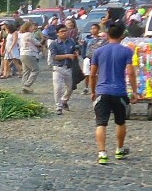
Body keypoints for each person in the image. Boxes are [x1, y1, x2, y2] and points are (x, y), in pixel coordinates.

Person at [89, 22, 137, 165]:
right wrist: (134, 91)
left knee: (101, 123)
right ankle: (119, 149)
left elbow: (92, 74)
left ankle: (102, 153)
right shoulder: (127, 51)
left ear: (107, 35)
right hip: (119, 92)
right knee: (120, 122)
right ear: (122, 36)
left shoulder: (98, 52)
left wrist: (92, 91)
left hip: (102, 91)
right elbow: (130, 72)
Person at [47, 23, 80, 114]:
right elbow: (54, 57)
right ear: (57, 33)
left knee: (71, 87)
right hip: (58, 68)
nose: (64, 33)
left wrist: (76, 52)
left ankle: (64, 100)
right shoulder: (54, 44)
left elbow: (75, 49)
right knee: (58, 88)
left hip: (69, 68)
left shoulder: (71, 41)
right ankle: (59, 107)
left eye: (65, 31)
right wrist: (67, 56)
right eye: (62, 31)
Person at [18, 21, 43, 93]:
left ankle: (24, 87)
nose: (33, 28)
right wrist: (40, 44)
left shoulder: (21, 35)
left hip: (22, 54)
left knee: (26, 71)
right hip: (29, 54)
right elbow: (35, 42)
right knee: (35, 70)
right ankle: (27, 85)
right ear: (28, 27)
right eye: (31, 27)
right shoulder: (29, 34)